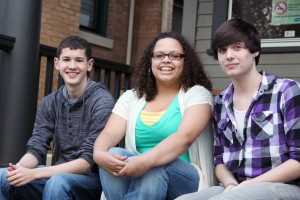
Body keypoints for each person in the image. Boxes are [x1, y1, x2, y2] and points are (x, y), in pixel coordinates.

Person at [176, 18, 300, 200]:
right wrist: (231, 183)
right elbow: (219, 160)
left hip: (284, 186)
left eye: (237, 48)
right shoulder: (220, 102)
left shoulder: (286, 91)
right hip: (237, 186)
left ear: (255, 50)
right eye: (222, 50)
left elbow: (298, 160)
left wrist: (248, 186)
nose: (229, 56)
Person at [93, 32, 216, 200]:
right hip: (140, 178)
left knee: (156, 164)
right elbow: (109, 133)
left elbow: (184, 137)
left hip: (185, 182)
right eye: (159, 55)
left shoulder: (196, 94)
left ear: (185, 62)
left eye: (174, 55)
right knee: (113, 154)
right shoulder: (132, 97)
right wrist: (99, 153)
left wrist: (145, 161)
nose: (166, 60)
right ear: (150, 62)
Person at [0, 36, 115, 200]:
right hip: (57, 176)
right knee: (3, 177)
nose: (72, 66)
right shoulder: (50, 102)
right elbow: (37, 147)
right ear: (57, 63)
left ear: (89, 65)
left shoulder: (102, 101)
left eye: (79, 60)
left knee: (57, 182)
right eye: (66, 59)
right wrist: (18, 170)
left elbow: (86, 163)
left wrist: (34, 173)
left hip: (93, 181)